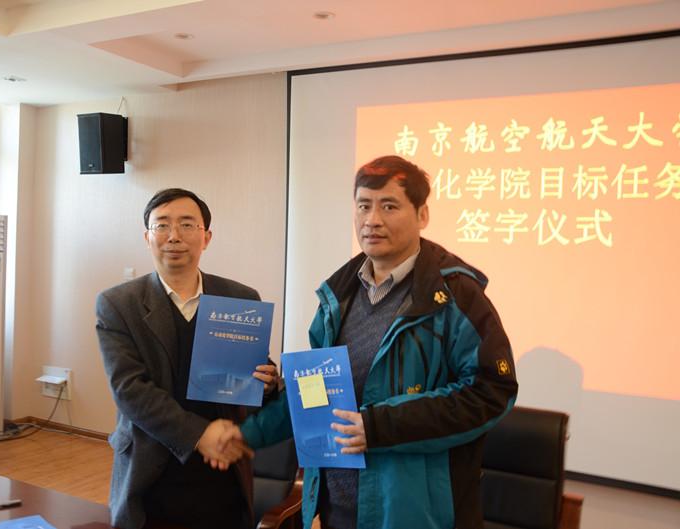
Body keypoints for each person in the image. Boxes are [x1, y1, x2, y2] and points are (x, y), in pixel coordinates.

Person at [231, 155, 518, 529]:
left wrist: (379, 426)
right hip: (336, 510)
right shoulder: (338, 295)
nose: (372, 219)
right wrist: (244, 435)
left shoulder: (456, 295)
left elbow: (491, 393)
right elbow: (316, 395)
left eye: (389, 206)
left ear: (422, 214)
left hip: (414, 516)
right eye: (364, 205)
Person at [95, 188, 278, 529]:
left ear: (206, 237)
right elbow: (129, 390)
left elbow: (253, 374)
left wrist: (267, 382)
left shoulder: (240, 298)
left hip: (223, 468)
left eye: (187, 225)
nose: (174, 236)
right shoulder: (118, 304)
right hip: (150, 471)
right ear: (147, 237)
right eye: (162, 225)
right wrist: (199, 435)